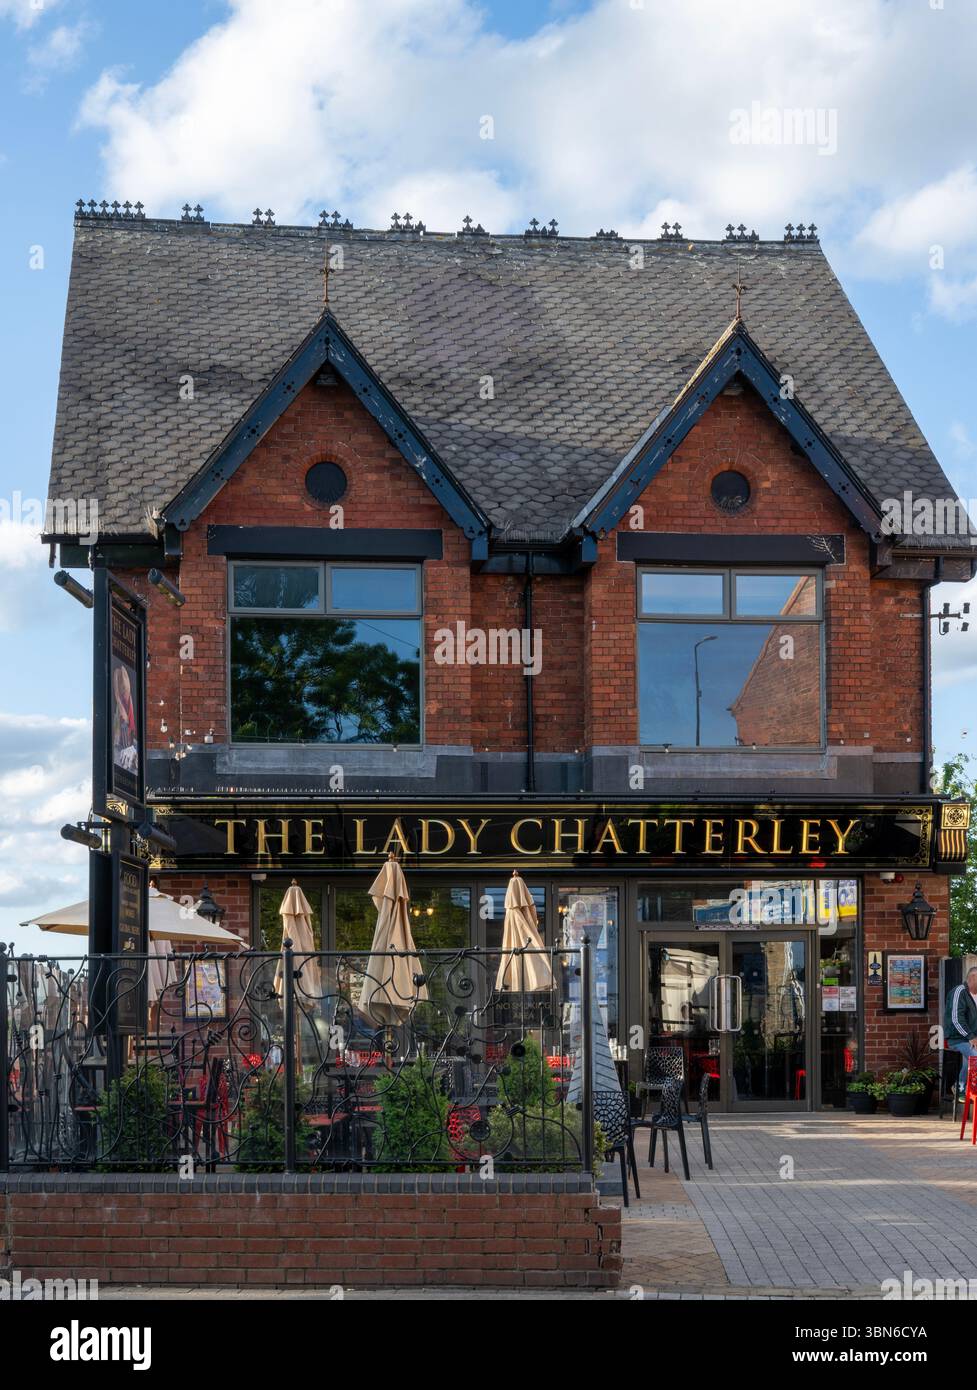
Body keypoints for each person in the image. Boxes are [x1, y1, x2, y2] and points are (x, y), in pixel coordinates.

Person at [944, 966, 977, 1100]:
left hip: (971, 1039)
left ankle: (963, 1086)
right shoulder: (959, 991)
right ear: (973, 977)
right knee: (975, 1057)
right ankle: (961, 1087)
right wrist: (971, 1037)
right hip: (957, 1038)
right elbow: (956, 1019)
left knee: (971, 1058)